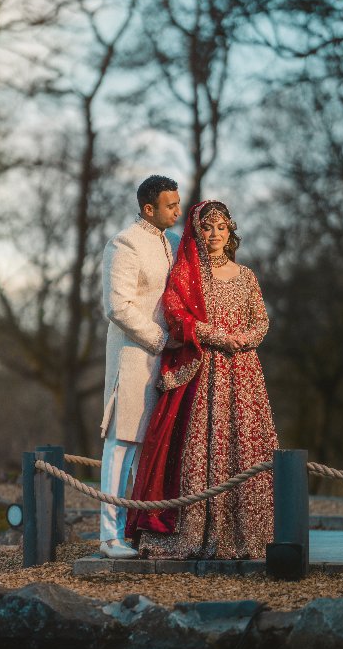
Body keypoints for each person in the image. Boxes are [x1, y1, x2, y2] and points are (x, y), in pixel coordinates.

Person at [126, 200, 278, 559]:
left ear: (231, 232)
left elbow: (262, 320)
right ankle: (198, 533)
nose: (214, 234)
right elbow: (176, 314)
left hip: (244, 374)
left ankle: (248, 535)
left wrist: (247, 338)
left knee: (246, 448)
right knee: (203, 447)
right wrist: (219, 336)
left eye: (221, 228)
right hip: (206, 371)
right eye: (207, 228)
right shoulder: (187, 275)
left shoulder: (247, 276)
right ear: (196, 233)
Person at [99, 175, 182, 558]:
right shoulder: (125, 243)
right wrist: (162, 340)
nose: (178, 211)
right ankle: (109, 538)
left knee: (154, 452)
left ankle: (143, 532)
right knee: (122, 449)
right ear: (149, 208)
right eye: (171, 205)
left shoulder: (173, 243)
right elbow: (118, 307)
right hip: (134, 361)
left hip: (168, 365)